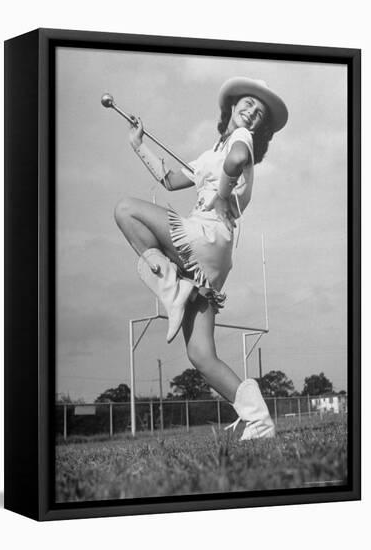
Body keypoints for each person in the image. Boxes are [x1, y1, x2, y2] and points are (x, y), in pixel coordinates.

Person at [114, 77, 288, 439]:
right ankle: (259, 420)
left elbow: (237, 160)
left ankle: (173, 288)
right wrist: (138, 145)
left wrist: (223, 193)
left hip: (207, 235)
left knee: (126, 210)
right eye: (248, 105)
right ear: (232, 106)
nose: (252, 113)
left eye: (259, 113)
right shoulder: (215, 149)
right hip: (215, 258)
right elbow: (170, 180)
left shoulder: (242, 140)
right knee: (201, 356)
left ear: (261, 127)